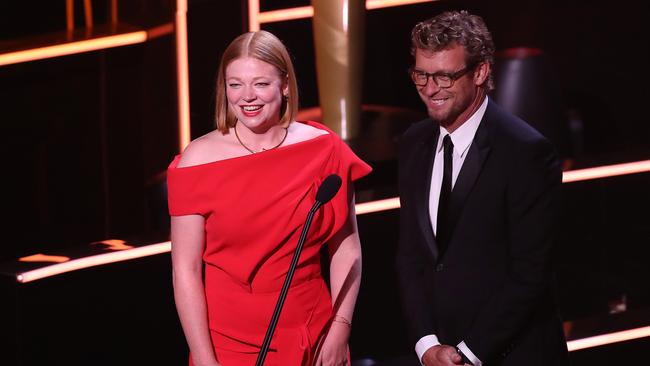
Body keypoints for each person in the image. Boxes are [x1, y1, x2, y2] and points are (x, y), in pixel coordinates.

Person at [167, 30, 371, 366]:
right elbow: (184, 271)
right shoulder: (197, 161)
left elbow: (346, 247)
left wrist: (340, 328)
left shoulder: (323, 148)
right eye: (235, 84)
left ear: (285, 85)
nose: (247, 96)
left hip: (316, 336)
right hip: (228, 345)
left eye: (260, 83)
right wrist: (205, 359)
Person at [396, 10, 569, 366]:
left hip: (510, 355)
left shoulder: (525, 152)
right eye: (421, 75)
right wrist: (426, 344)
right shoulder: (414, 143)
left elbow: (529, 274)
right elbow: (411, 256)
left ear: (480, 72)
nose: (430, 89)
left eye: (444, 76)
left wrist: (467, 354)